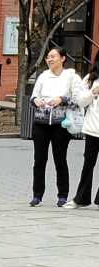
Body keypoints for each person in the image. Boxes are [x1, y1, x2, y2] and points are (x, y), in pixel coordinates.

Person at [29, 46, 85, 207]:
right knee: (39, 160)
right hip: (41, 122)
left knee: (60, 159)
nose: (50, 59)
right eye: (48, 57)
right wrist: (36, 101)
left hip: (60, 124)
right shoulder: (43, 76)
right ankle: (37, 195)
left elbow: (78, 99)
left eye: (53, 56)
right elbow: (33, 97)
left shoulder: (71, 76)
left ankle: (62, 195)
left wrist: (62, 99)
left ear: (63, 58)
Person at [68, 69, 99, 208]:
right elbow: (80, 102)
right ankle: (81, 199)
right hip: (93, 129)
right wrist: (92, 92)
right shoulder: (90, 78)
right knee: (88, 165)